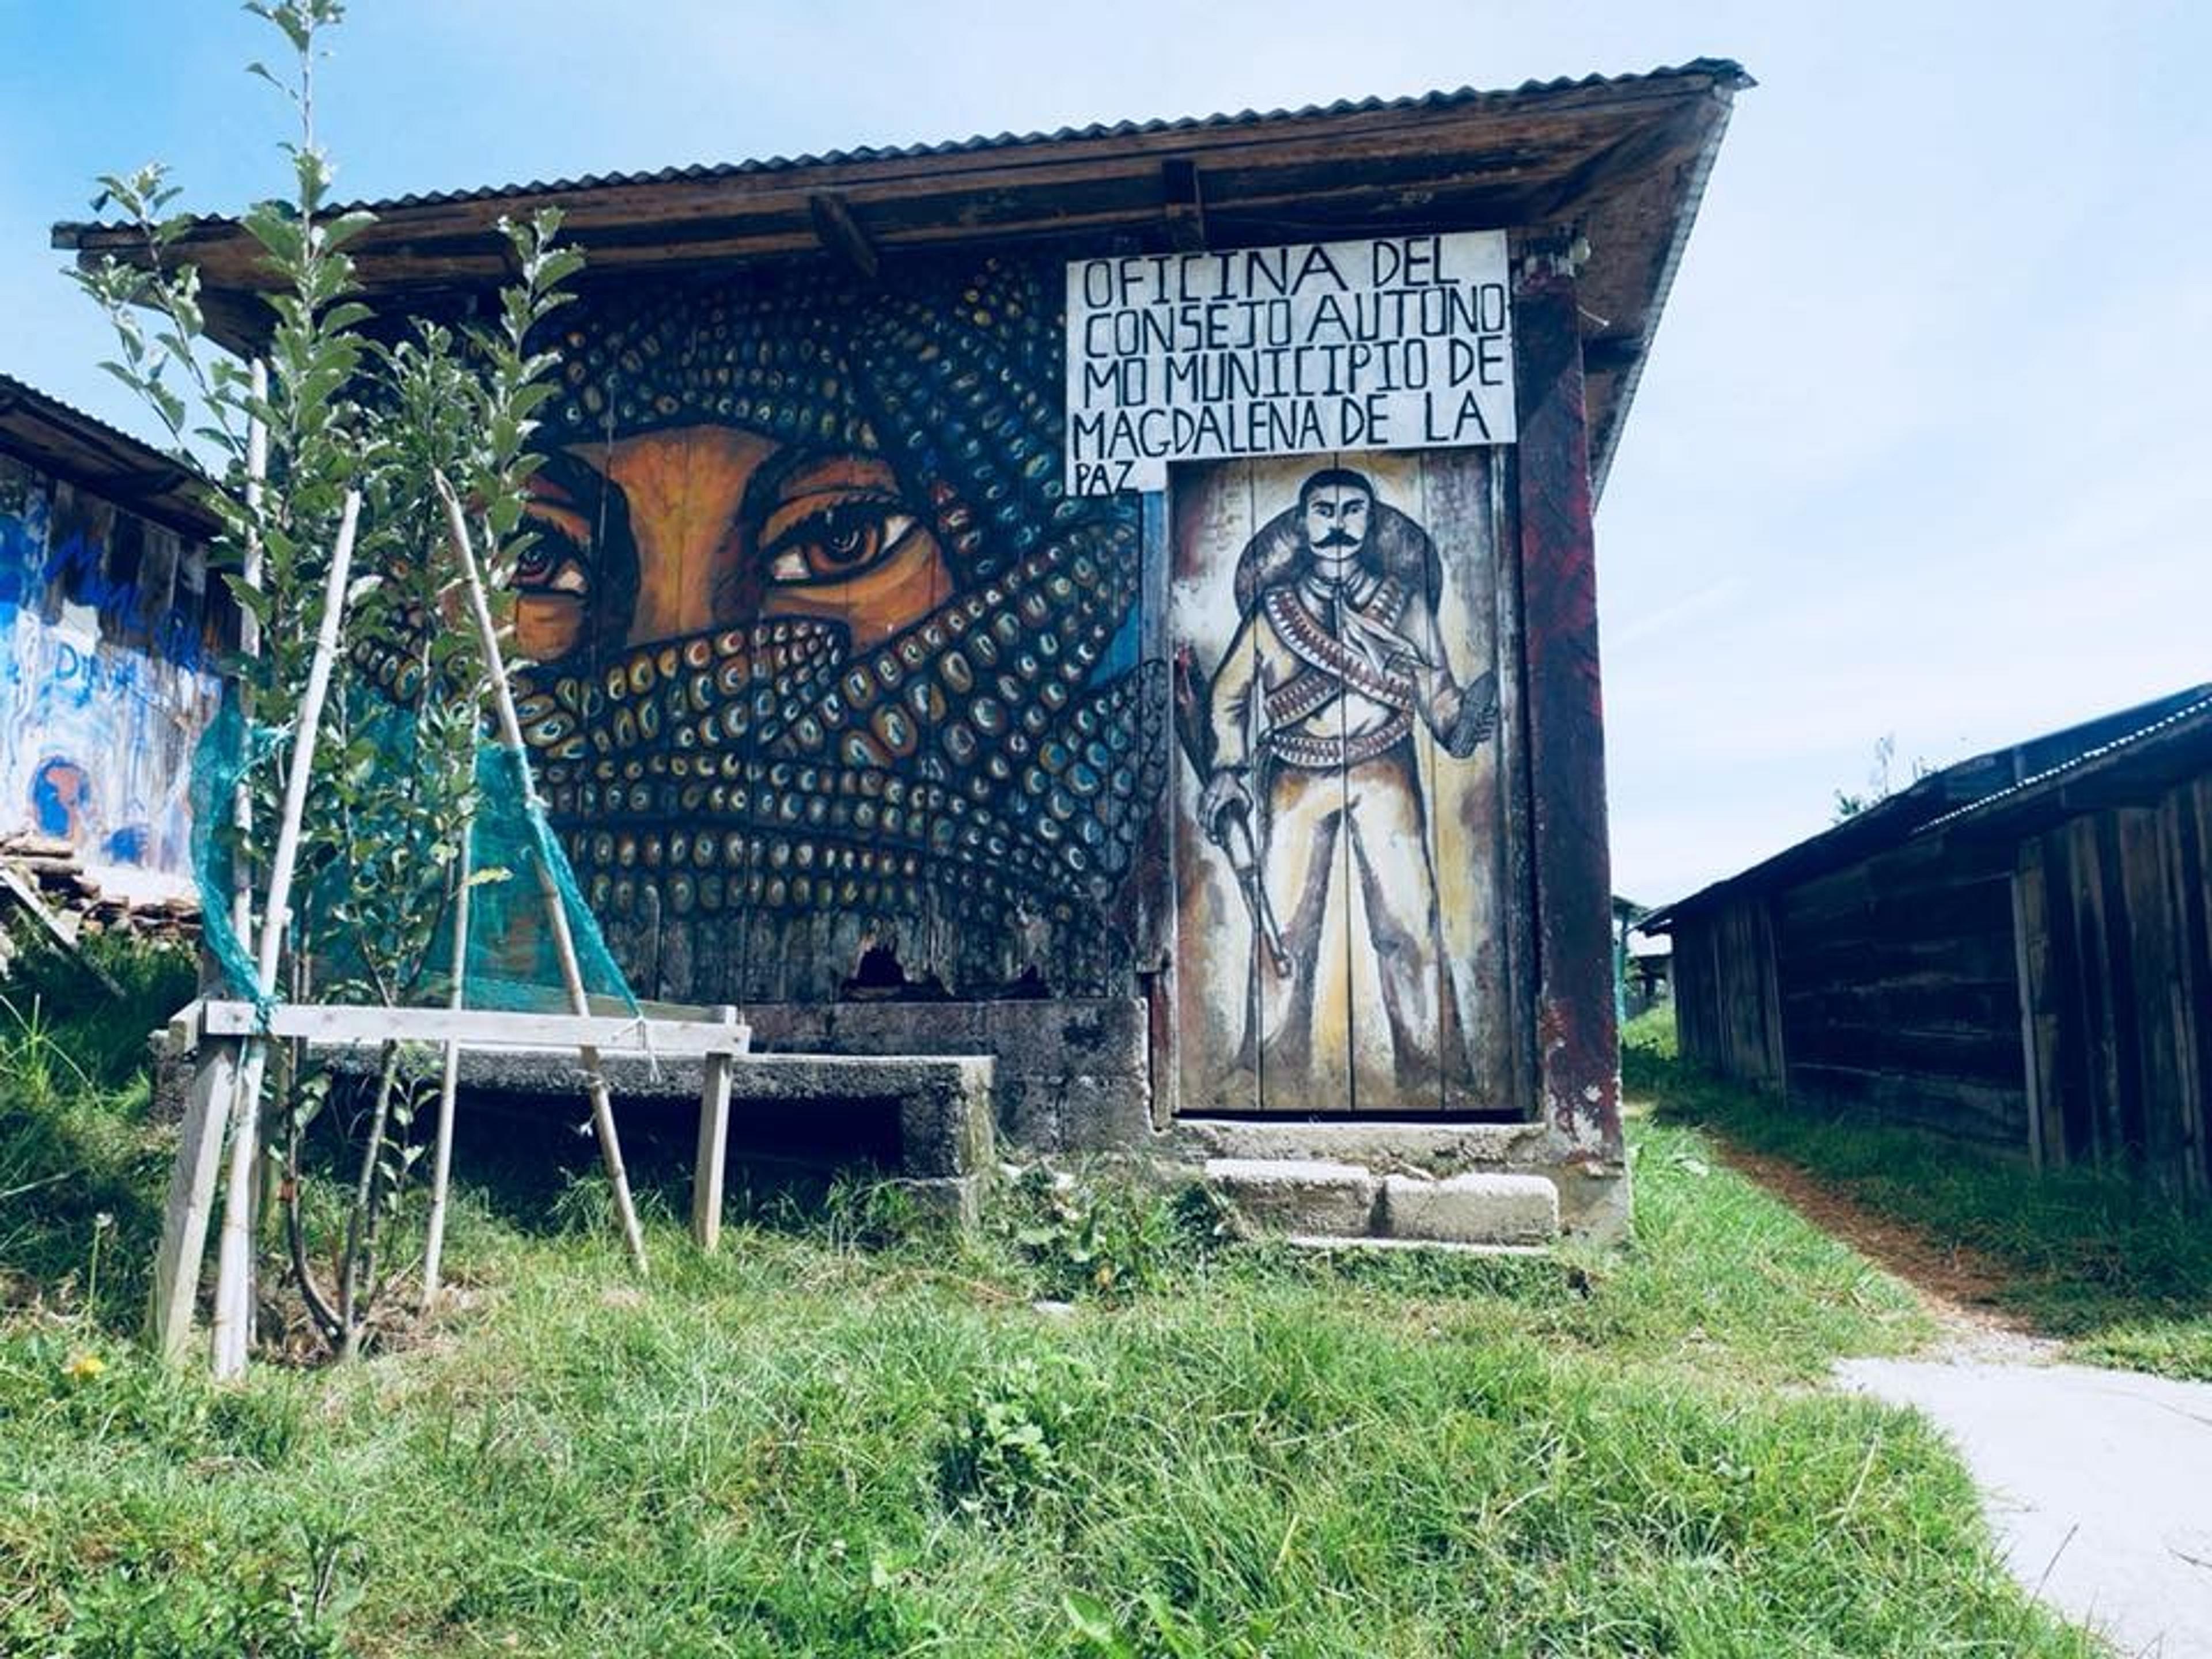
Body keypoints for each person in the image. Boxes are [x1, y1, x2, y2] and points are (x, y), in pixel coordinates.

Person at [1196, 465, 1494, 1100]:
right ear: (1302, 526)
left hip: (1386, 773)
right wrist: (1226, 768)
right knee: (1282, 928)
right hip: (1294, 779)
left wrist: (1462, 724)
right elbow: (1228, 698)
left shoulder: (1404, 603)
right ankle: (1268, 1072)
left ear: (1371, 522)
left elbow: (1435, 691)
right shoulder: (1273, 612)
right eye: (1324, 510)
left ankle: (1436, 1071)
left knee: (1409, 927)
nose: (1338, 523)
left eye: (1353, 509)